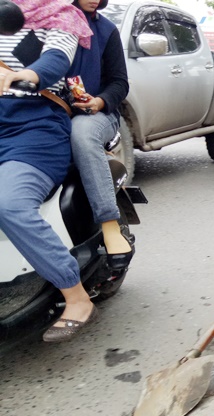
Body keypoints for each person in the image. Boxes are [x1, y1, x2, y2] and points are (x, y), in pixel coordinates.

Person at [0, 0, 99, 343]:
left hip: (34, 130)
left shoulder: (60, 17)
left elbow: (56, 59)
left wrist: (25, 75)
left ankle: (75, 295)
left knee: (9, 204)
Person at [67, 0, 132, 269]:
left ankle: (109, 224)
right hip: (45, 111)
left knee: (81, 134)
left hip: (94, 115)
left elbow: (120, 82)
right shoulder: (46, 25)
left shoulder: (106, 30)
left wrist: (100, 102)